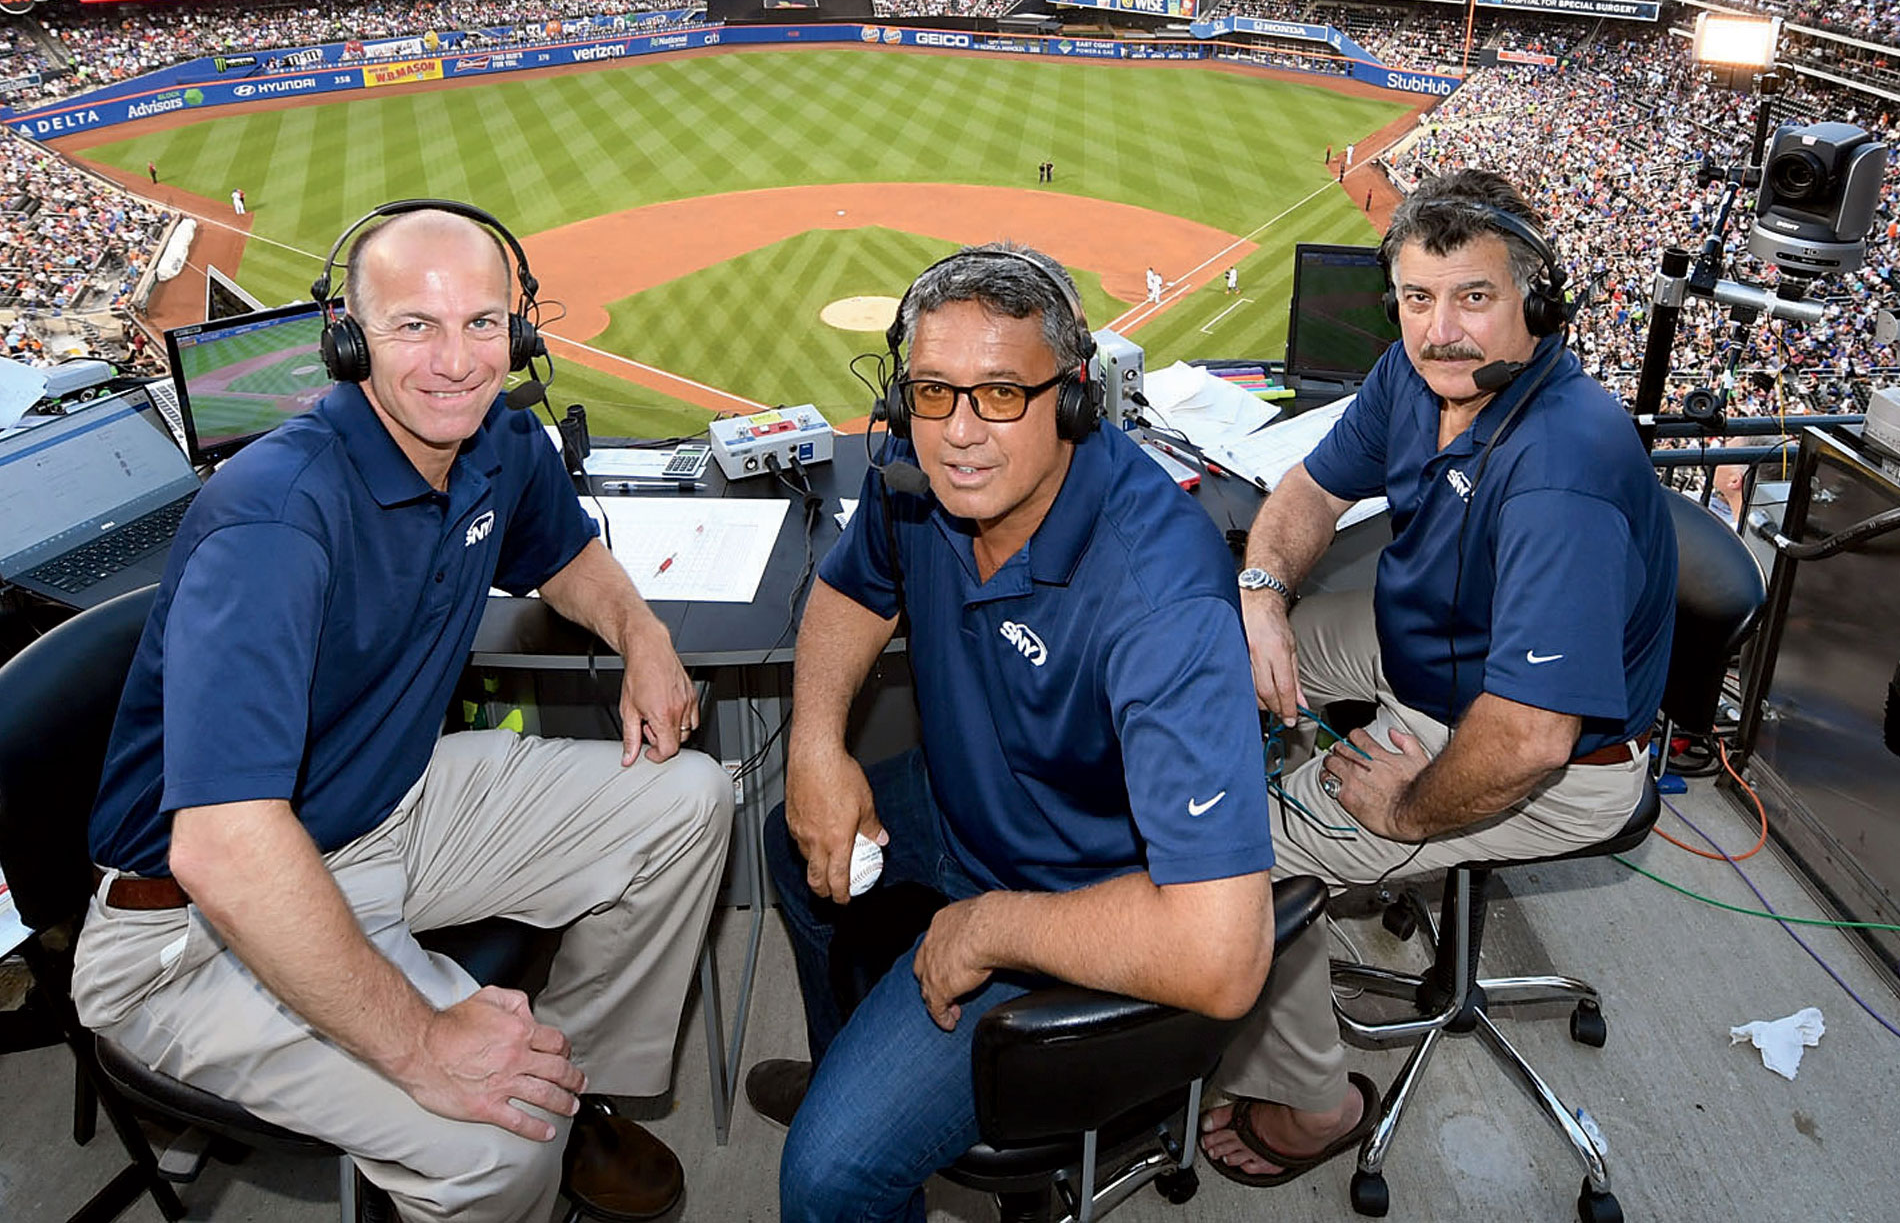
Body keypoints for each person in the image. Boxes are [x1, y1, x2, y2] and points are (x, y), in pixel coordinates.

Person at [74, 208, 734, 1223]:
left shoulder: (497, 442)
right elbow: (226, 849)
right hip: (199, 924)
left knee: (686, 798)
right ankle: (518, 1114)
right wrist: (424, 1045)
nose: (456, 361)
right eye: (415, 326)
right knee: (493, 1147)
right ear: (348, 338)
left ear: (517, 334)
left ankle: (570, 1076)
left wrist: (641, 635)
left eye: (481, 324)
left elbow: (565, 556)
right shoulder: (275, 515)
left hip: (385, 810)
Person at [746, 245, 1277, 1222]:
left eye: (999, 393)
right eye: (932, 391)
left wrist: (990, 925)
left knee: (823, 1181)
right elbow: (848, 592)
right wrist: (817, 742)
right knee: (792, 842)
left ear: (1073, 398)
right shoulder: (917, 476)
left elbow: (1221, 951)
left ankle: (858, 1138)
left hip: (1076, 897)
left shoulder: (1158, 591)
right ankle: (854, 1086)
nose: (957, 434)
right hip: (960, 809)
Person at [1197, 169, 1676, 1188]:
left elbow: (1534, 734)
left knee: (1238, 852)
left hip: (1541, 745)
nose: (1440, 330)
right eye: (1418, 298)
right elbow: (1309, 490)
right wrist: (1260, 594)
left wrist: (1409, 812)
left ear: (1536, 303)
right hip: (1424, 642)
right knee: (1214, 658)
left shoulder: (1562, 466)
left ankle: (1314, 1093)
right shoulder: (1412, 379)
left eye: (1473, 296)